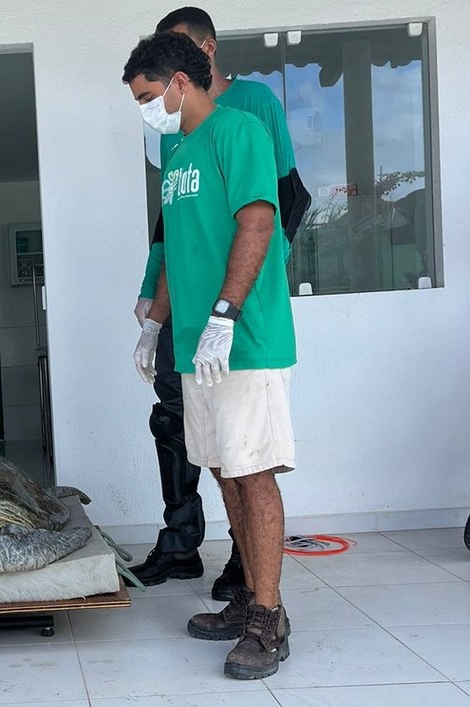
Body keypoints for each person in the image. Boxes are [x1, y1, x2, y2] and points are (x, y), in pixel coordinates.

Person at [123, 32, 297, 679]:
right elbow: (175, 250)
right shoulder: (176, 155)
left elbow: (257, 223)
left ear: (178, 82)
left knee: (254, 473)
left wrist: (225, 314)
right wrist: (154, 325)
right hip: (198, 349)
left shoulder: (239, 131)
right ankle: (249, 593)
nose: (145, 108)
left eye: (147, 96)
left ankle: (270, 619)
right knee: (224, 468)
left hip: (244, 341)